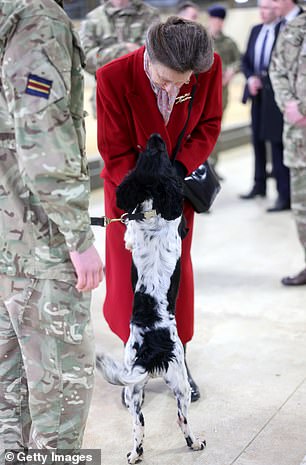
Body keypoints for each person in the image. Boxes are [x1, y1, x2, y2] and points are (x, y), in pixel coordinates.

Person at [96, 17, 222, 403]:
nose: (175, 88)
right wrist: (141, 191)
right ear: (149, 58)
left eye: (182, 82)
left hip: (176, 189)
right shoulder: (113, 77)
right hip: (128, 187)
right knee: (127, 275)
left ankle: (177, 357)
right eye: (165, 80)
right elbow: (113, 149)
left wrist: (177, 173)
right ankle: (134, 358)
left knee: (174, 273)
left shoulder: (206, 67)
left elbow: (209, 124)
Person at [0, 0, 104, 456]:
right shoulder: (38, 19)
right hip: (38, 241)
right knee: (61, 388)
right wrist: (80, 240)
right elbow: (44, 141)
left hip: (7, 236)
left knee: (10, 387)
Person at [239, 0, 291, 212]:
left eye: (268, 8)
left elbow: (282, 63)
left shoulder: (285, 29)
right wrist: (251, 78)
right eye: (260, 8)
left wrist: (266, 79)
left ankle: (283, 194)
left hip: (276, 95)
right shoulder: (255, 30)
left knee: (276, 143)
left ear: (276, 9)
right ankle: (259, 184)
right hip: (257, 94)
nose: (263, 12)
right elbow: (246, 61)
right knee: (257, 141)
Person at [270, 13, 306, 285]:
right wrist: (291, 107)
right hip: (298, 137)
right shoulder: (293, 28)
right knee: (302, 208)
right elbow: (277, 69)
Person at [79, 0, 160, 117]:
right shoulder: (94, 19)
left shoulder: (149, 14)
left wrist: (105, 56)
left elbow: (155, 54)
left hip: (144, 97)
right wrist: (122, 49)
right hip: (107, 100)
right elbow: (85, 58)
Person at [206, 5, 241, 176]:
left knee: (216, 129)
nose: (217, 23)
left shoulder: (228, 42)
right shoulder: (202, 39)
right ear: (209, 19)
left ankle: (213, 165)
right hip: (202, 94)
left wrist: (232, 70)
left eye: (221, 20)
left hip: (221, 93)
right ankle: (199, 165)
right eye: (215, 19)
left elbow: (239, 61)